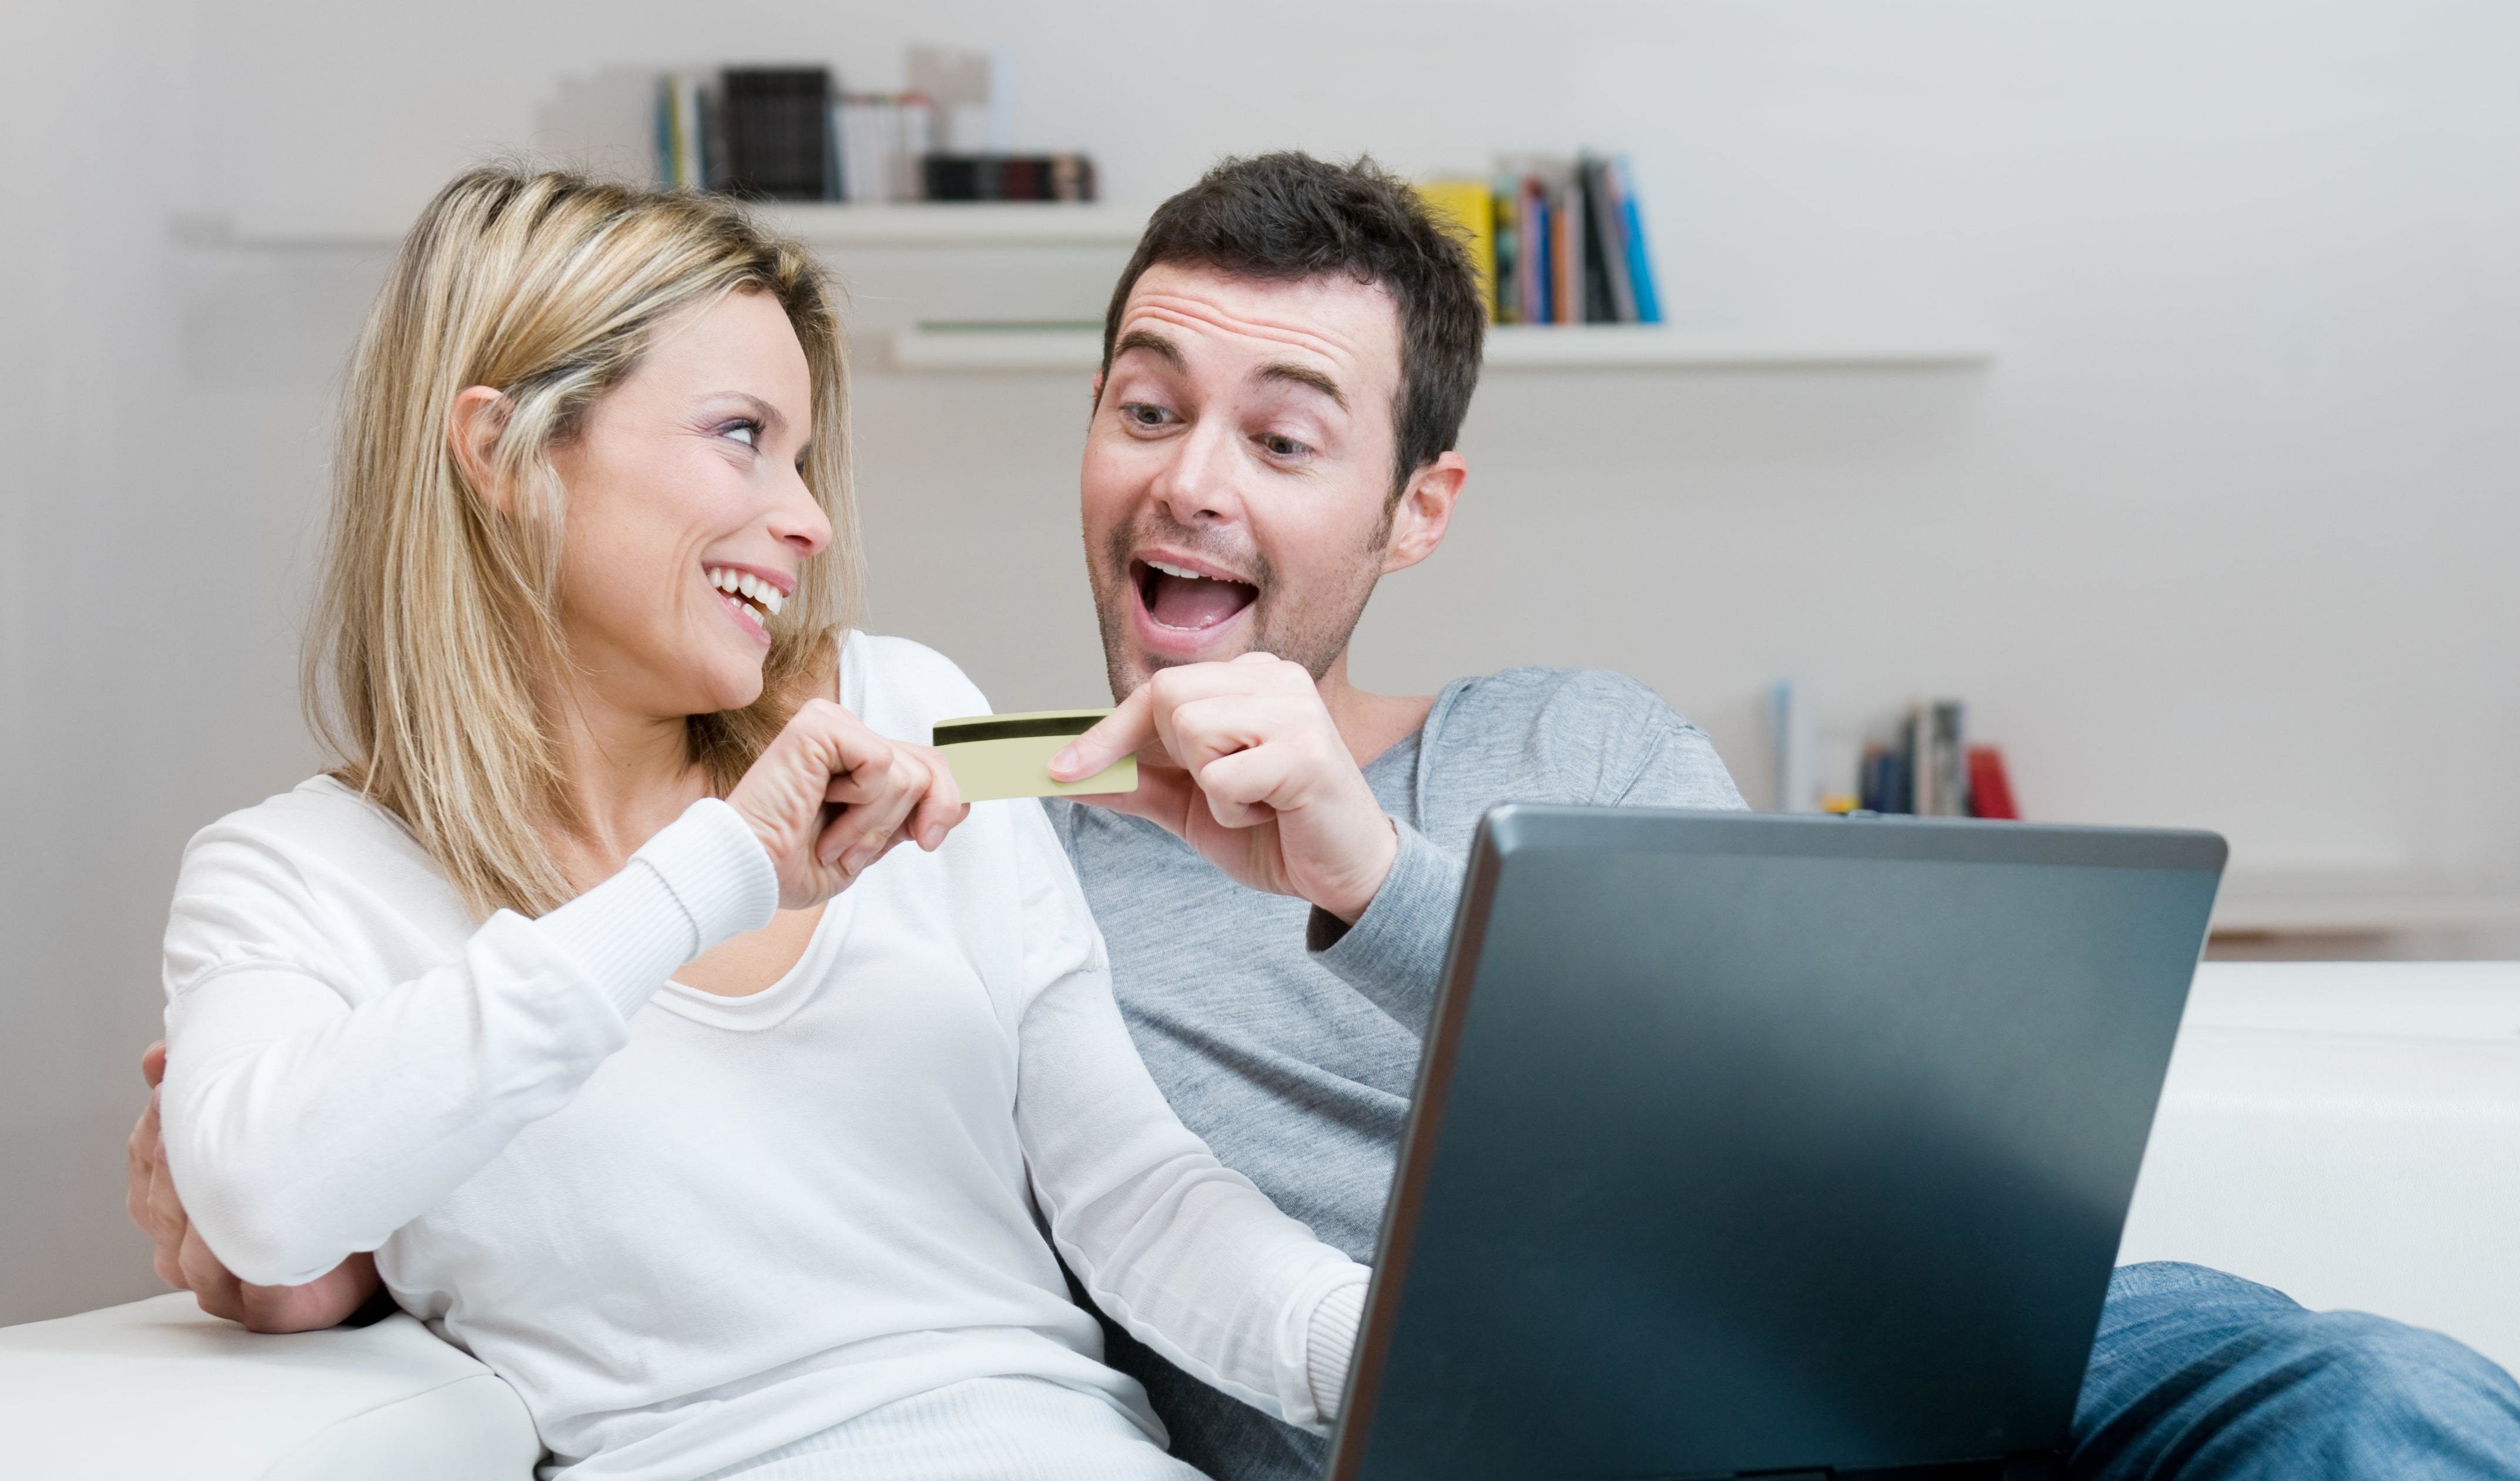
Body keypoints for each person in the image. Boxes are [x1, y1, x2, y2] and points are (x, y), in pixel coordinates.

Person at [133, 155, 2520, 1480]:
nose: (1185, 477)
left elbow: (1770, 1147)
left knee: (2380, 1398)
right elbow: (404, 1158)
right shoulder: (976, 812)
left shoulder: (1566, 742)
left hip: (1869, 1342)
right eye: (1143, 403)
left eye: (1283, 436)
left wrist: (1368, 890)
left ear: (1416, 506)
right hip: (1495, 1462)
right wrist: (280, 1245)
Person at [134, 165, 1369, 1481]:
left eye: (799, 452)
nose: (807, 518)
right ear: (500, 449)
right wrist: (717, 870)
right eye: (739, 435)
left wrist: (1419, 1351)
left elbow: (1137, 1200)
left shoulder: (904, 712)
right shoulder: (295, 879)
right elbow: (263, 1209)